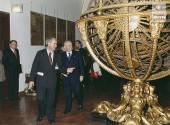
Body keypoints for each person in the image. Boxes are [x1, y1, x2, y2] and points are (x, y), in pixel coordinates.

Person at [29, 38, 61, 124]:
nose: (56, 45)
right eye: (54, 43)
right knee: (41, 99)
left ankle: (50, 117)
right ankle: (41, 114)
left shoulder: (57, 54)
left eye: (56, 43)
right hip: (41, 81)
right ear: (49, 44)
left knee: (51, 100)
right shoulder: (40, 53)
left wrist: (66, 71)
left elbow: (60, 67)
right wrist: (31, 79)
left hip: (52, 81)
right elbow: (34, 66)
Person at [61, 40, 84, 114]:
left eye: (70, 45)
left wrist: (82, 75)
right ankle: (67, 108)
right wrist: (64, 72)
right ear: (65, 47)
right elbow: (60, 67)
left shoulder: (77, 54)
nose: (69, 46)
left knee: (77, 92)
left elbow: (81, 65)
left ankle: (80, 102)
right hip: (66, 77)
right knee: (67, 93)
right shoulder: (61, 55)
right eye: (67, 45)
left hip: (76, 77)